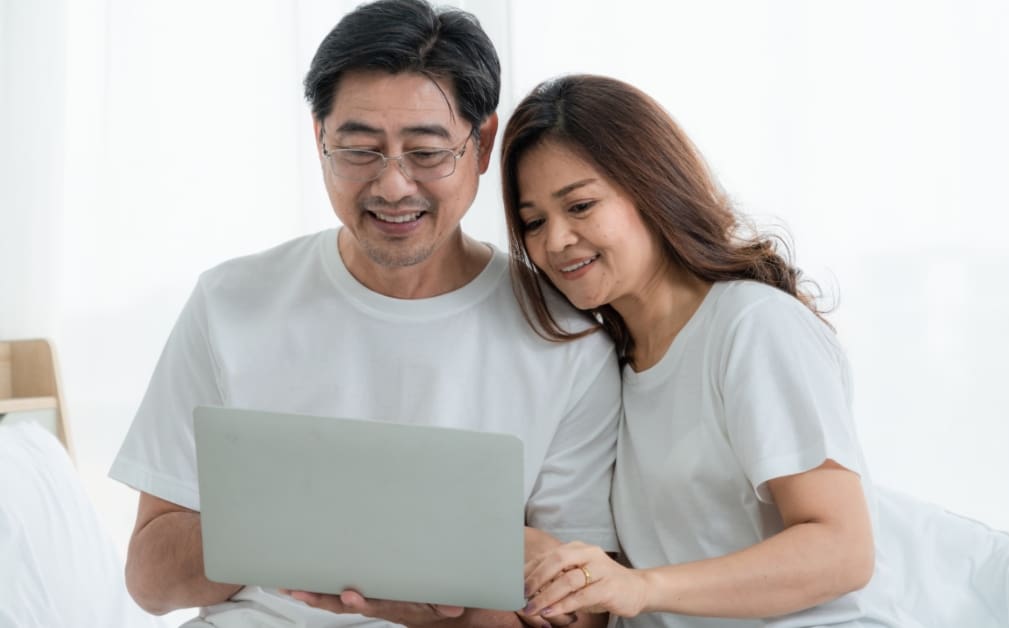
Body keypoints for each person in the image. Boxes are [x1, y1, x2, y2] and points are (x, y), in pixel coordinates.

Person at [109, 4, 620, 628]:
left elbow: (584, 617)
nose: (394, 186)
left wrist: (427, 608)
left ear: (482, 145)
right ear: (317, 138)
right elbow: (149, 582)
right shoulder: (230, 302)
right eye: (358, 150)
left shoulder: (565, 340)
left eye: (427, 152)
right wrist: (298, 521)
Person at [502, 75, 921, 627]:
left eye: (580, 205)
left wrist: (642, 588)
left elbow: (842, 551)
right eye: (534, 222)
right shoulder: (606, 366)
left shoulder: (751, 326)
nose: (555, 241)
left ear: (650, 189)